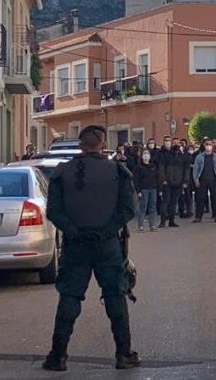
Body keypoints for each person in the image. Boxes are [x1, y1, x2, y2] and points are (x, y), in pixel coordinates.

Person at [42, 125, 140, 371]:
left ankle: (58, 355)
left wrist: (76, 232)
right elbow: (128, 209)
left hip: (76, 245)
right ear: (102, 143)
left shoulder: (62, 173)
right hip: (107, 245)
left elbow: (54, 211)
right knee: (115, 297)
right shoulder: (117, 171)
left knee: (70, 297)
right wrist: (105, 232)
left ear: (80, 145)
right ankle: (123, 353)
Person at [192, 139, 216, 223]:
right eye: (207, 144)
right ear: (203, 145)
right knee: (200, 199)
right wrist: (196, 179)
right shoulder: (199, 157)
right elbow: (195, 169)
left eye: (210, 144)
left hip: (214, 180)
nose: (208, 146)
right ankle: (198, 217)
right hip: (202, 180)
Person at [159, 141, 189, 228]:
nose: (176, 144)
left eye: (178, 143)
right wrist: (163, 179)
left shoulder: (183, 156)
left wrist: (185, 181)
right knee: (165, 202)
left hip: (178, 183)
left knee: (174, 202)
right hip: (167, 182)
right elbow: (161, 168)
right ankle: (163, 222)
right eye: (175, 143)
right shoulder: (166, 155)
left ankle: (171, 221)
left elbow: (186, 170)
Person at [134, 149, 160, 232]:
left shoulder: (153, 166)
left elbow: (157, 178)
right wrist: (138, 191)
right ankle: (140, 226)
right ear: (141, 155)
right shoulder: (138, 167)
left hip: (153, 189)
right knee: (143, 208)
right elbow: (136, 180)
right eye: (144, 153)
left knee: (152, 208)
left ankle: (152, 225)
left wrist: (159, 188)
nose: (146, 155)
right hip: (143, 189)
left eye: (147, 153)